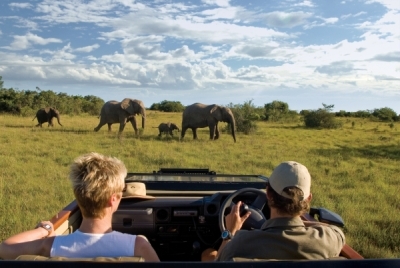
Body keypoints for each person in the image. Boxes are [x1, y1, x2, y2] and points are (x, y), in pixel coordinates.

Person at [0, 152, 160, 262]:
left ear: (78, 197)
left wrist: (46, 229)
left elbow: (5, 248)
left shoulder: (51, 245)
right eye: (120, 192)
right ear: (113, 200)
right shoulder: (138, 245)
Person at [202, 161, 346, 261]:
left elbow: (218, 264)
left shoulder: (239, 242)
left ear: (268, 194)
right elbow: (335, 231)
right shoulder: (328, 239)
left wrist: (230, 233)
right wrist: (298, 224)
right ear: (308, 199)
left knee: (208, 254)